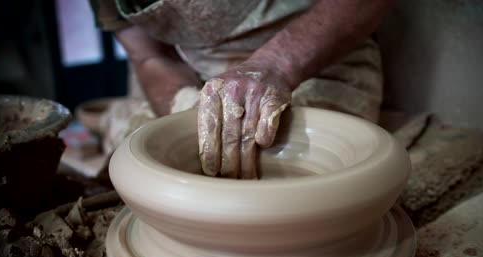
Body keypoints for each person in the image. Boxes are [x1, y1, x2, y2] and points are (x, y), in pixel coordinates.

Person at [90, 0, 392, 178]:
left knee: (283, 163)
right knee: (142, 162)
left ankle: (108, 116)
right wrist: (184, 105)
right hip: (198, 75)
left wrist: (276, 65)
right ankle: (109, 118)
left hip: (315, 59)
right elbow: (150, 56)